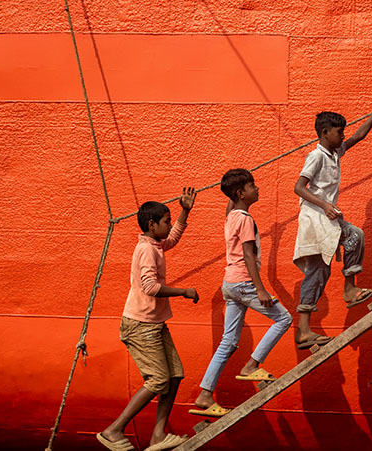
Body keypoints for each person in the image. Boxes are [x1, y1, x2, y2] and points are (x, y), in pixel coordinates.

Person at [98, 189, 199, 451]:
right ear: (152, 225)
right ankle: (113, 430)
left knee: (174, 375)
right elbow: (150, 287)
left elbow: (173, 238)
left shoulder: (155, 243)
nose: (169, 225)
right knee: (158, 380)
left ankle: (158, 436)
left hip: (154, 324)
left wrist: (184, 210)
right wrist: (183, 292)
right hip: (140, 325)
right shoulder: (146, 249)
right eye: (165, 221)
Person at [190, 169, 292, 418]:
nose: (257, 189)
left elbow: (231, 203)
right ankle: (252, 365)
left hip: (230, 284)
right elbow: (248, 255)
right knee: (284, 318)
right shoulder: (245, 219)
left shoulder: (231, 215)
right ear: (240, 193)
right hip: (245, 284)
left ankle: (205, 394)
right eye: (251, 186)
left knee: (228, 341)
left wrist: (231, 183)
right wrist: (260, 288)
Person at [292, 102, 372, 348]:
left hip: (328, 218)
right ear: (325, 132)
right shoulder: (316, 156)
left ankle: (350, 289)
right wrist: (325, 205)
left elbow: (359, 135)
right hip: (315, 219)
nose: (343, 135)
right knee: (318, 269)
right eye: (339, 131)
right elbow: (298, 187)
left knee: (354, 236)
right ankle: (304, 330)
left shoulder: (335, 153)